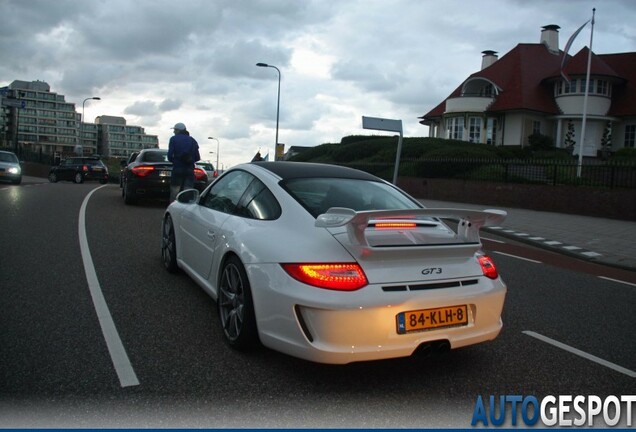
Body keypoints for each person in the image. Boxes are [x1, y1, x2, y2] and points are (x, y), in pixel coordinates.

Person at [167, 122, 200, 201]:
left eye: (175, 130)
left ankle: (173, 206)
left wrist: (174, 161)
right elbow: (197, 157)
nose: (173, 132)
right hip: (189, 169)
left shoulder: (173, 139)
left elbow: (169, 155)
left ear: (178, 130)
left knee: (175, 189)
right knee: (187, 190)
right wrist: (189, 161)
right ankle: (186, 207)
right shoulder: (192, 140)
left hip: (177, 168)